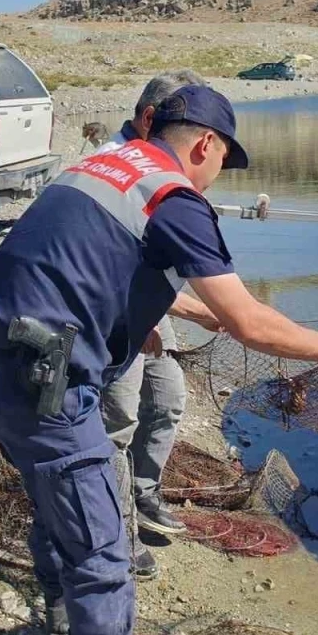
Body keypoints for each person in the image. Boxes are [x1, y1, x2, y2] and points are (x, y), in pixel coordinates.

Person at [0, 85, 318, 635]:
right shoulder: (174, 196)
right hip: (44, 380)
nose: (214, 181)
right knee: (99, 522)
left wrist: (183, 307)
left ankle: (59, 632)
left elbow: (87, 261)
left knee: (54, 495)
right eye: (219, 164)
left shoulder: (102, 164)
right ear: (204, 143)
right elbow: (251, 323)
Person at [96, 71, 211, 583]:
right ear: (150, 119)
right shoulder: (110, 164)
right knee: (117, 424)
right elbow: (103, 267)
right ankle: (118, 533)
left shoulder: (160, 167)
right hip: (112, 322)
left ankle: (144, 492)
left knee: (167, 400)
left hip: (149, 312)